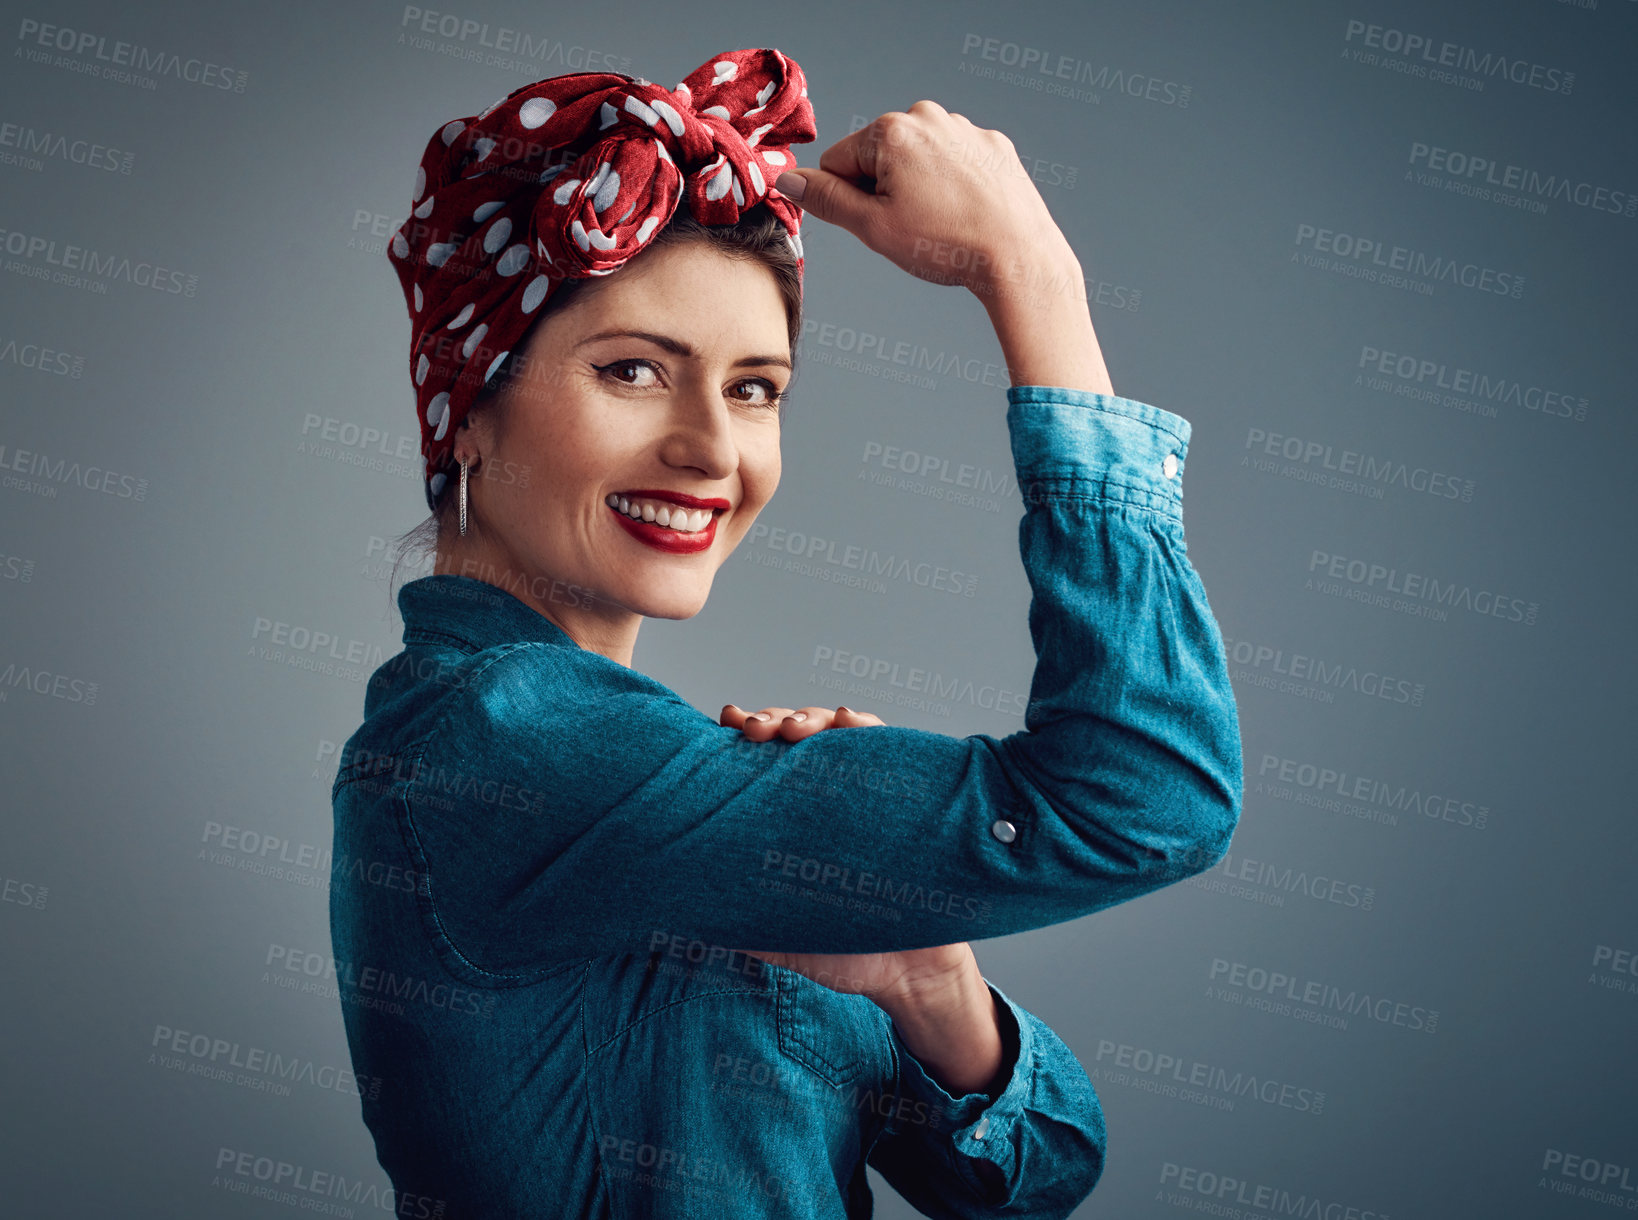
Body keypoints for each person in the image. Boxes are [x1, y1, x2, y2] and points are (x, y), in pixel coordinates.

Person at [330, 47, 1243, 1219]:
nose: (712, 447)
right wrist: (1034, 279)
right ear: (469, 410)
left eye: (757, 387)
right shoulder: (497, 745)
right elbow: (1150, 791)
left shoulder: (663, 781)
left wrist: (927, 977)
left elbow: (1035, 1173)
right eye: (634, 370)